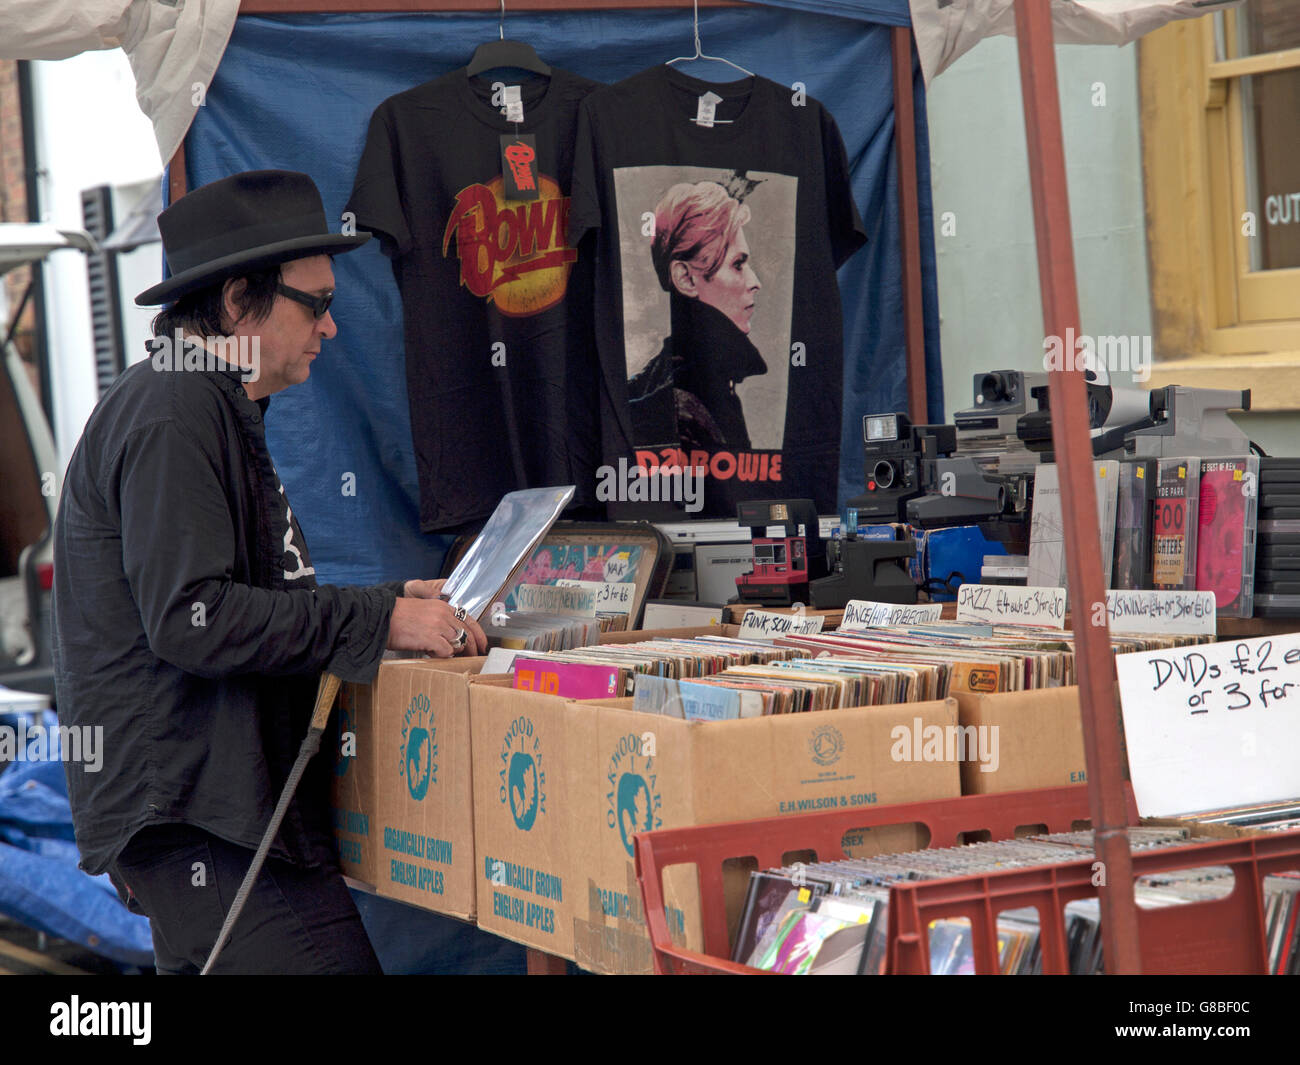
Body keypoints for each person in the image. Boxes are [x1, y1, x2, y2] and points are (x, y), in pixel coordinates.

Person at [51, 169, 486, 975]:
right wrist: (376, 619)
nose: (330, 326)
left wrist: (388, 600)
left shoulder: (203, 402)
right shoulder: (176, 410)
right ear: (237, 299)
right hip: (202, 824)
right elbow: (194, 620)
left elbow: (240, 602)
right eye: (314, 304)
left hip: (209, 818)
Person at [629, 178, 766, 452]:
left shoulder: (667, 382)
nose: (755, 282)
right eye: (738, 264)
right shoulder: (684, 403)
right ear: (685, 278)